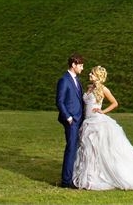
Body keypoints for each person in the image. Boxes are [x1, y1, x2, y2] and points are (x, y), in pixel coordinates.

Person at [55, 53, 85, 188]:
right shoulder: (64, 80)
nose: (82, 68)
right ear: (73, 65)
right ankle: (66, 181)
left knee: (76, 148)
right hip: (71, 121)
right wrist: (68, 117)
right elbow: (59, 101)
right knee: (71, 148)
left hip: (79, 118)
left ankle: (73, 176)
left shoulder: (76, 80)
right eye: (81, 65)